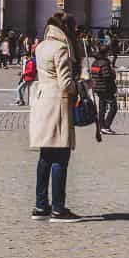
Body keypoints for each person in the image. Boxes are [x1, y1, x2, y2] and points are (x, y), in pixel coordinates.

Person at [30, 12, 80, 220]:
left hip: (43, 102)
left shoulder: (41, 46)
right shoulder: (61, 48)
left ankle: (41, 206)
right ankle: (58, 208)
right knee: (61, 157)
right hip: (57, 104)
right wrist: (80, 88)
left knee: (45, 157)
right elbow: (65, 82)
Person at [88, 47, 118, 134]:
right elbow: (107, 76)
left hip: (98, 88)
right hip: (106, 88)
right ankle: (106, 126)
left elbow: (94, 75)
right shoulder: (104, 63)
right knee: (113, 107)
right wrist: (113, 74)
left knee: (102, 109)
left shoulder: (94, 63)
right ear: (105, 53)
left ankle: (101, 126)